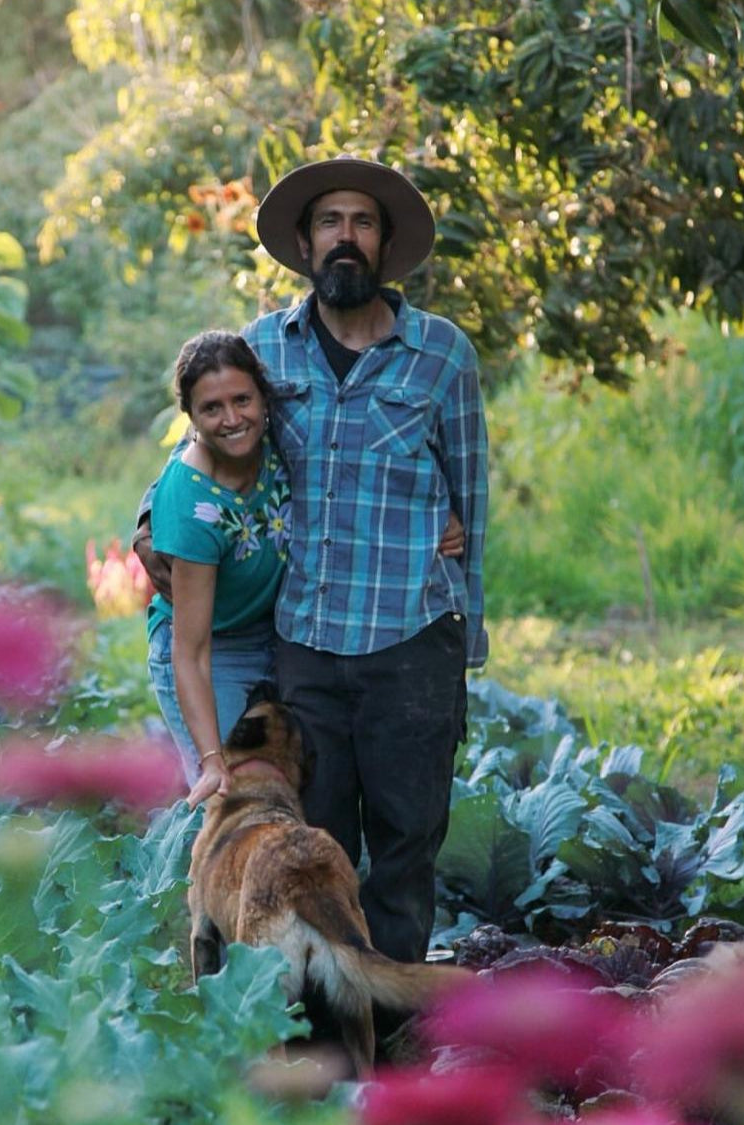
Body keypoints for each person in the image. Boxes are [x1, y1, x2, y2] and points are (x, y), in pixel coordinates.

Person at [136, 155, 487, 968]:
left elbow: (472, 497)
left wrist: (470, 631)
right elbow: (202, 445)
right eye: (329, 222)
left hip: (410, 634)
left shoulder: (440, 354)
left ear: (384, 243)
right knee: (313, 837)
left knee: (406, 841)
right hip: (304, 639)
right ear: (304, 242)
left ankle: (388, 1027)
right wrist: (149, 521)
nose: (345, 237)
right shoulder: (265, 350)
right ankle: (316, 1020)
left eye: (362, 222)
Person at [144, 330, 291, 810]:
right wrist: (210, 757)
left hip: (274, 636)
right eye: (212, 408)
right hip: (209, 649)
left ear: (263, 395)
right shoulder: (192, 502)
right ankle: (168, 879)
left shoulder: (279, 443)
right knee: (226, 799)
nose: (232, 419)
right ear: (190, 417)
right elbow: (192, 652)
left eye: (242, 400)